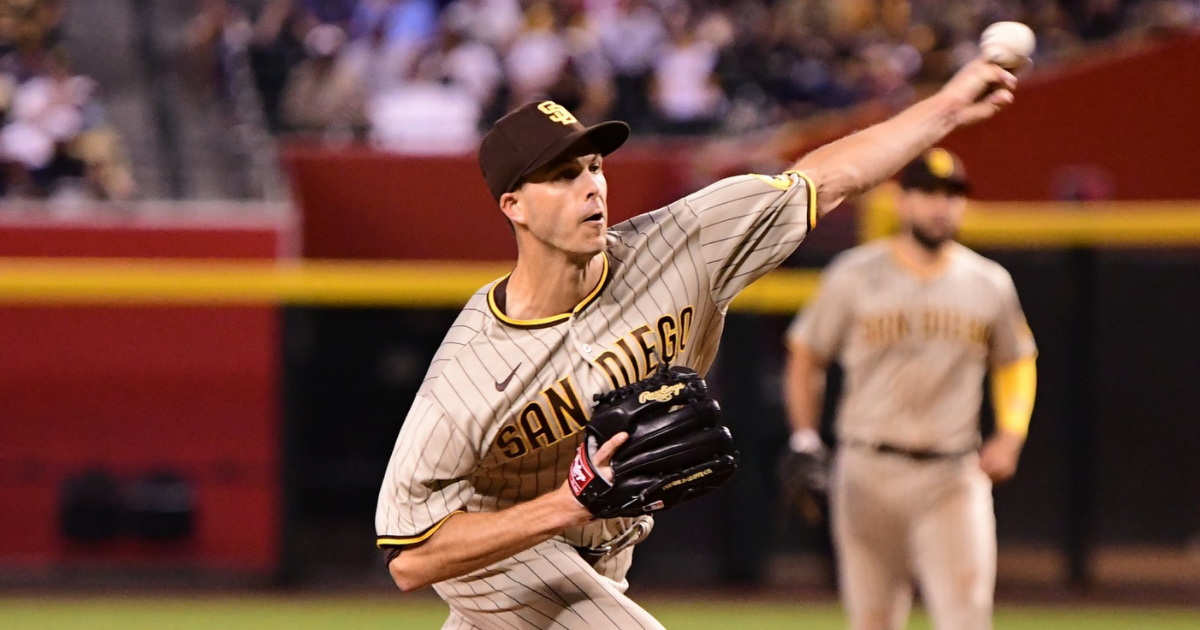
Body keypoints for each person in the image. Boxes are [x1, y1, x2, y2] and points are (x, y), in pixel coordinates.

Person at [376, 55, 1020, 629]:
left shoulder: (681, 246)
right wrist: (564, 504)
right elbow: (408, 559)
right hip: (500, 558)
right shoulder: (470, 366)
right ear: (514, 205)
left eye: (595, 166)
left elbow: (827, 178)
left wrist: (948, 106)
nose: (593, 185)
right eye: (563, 175)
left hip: (603, 557)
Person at [780, 148, 1038, 630]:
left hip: (953, 475)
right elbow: (806, 354)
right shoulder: (854, 274)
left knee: (967, 619)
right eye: (928, 194)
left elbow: (1017, 359)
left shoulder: (988, 282)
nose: (941, 206)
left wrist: (1011, 433)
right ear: (902, 201)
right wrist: (805, 437)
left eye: (952, 196)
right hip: (866, 471)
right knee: (873, 622)